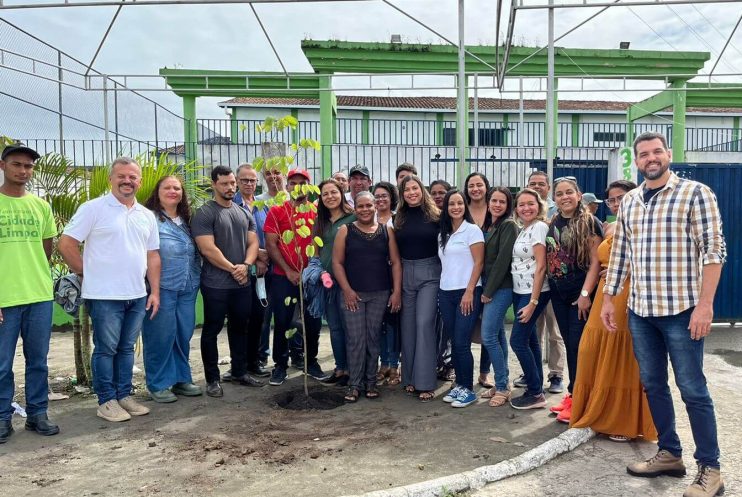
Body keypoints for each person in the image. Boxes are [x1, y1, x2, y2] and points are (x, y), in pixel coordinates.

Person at [602, 132, 726, 497]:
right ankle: (670, 453)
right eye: (644, 154)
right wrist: (609, 298)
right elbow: (621, 253)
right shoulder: (630, 202)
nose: (651, 158)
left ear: (668, 155)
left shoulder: (695, 193)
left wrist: (705, 306)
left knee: (693, 390)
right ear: (637, 161)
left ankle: (711, 469)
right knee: (654, 385)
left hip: (682, 311)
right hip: (641, 311)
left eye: (657, 151)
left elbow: (713, 251)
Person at [60, 156, 160, 422]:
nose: (127, 181)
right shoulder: (93, 209)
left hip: (137, 294)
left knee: (127, 348)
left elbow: (152, 256)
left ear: (139, 181)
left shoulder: (146, 215)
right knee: (106, 348)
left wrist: (155, 291)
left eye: (132, 177)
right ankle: (106, 400)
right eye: (121, 176)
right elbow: (67, 243)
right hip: (104, 296)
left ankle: (123, 394)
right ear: (111, 179)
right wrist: (86, 273)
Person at [570, 179, 656, 442]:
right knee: (590, 350)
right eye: (612, 200)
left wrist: (626, 270)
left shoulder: (647, 224)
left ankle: (622, 420)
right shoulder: (608, 227)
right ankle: (594, 410)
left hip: (629, 294)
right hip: (604, 297)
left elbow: (655, 261)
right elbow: (596, 264)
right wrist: (585, 294)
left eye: (622, 197)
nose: (617, 203)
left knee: (622, 353)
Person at [0, 144, 60, 441]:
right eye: (17, 165)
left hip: (38, 296)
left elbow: (45, 249)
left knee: (38, 360)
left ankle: (37, 413)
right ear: (3, 166)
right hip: (4, 299)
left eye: (28, 166)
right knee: (2, 363)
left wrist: (34, 277)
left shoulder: (40, 206)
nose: (23, 171)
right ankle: (2, 417)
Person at [191, 166, 261, 398]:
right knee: (211, 330)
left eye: (232, 183)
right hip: (215, 285)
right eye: (225, 183)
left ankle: (239, 372)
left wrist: (246, 265)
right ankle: (212, 379)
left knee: (241, 329)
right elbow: (207, 249)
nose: (230, 187)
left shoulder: (244, 213)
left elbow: (253, 243)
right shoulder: (204, 213)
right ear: (214, 184)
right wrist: (233, 268)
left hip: (241, 284)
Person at [332, 191, 402, 402]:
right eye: (360, 206)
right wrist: (347, 290)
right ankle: (354, 384)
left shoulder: (385, 231)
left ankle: (370, 382)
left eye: (368, 206)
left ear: (375, 207)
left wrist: (396, 292)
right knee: (355, 339)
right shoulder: (345, 230)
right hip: (352, 295)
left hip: (379, 294)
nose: (364, 210)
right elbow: (337, 263)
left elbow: (396, 262)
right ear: (355, 209)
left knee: (372, 338)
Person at [545, 176, 603, 423]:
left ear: (579, 195)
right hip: (559, 294)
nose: (564, 197)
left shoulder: (589, 223)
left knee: (581, 347)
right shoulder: (554, 221)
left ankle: (583, 400)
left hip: (580, 295)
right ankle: (573, 393)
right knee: (570, 344)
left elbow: (595, 262)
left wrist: (585, 295)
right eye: (559, 193)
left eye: (569, 192)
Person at [141, 176, 203, 403]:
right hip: (161, 287)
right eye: (167, 187)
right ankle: (158, 383)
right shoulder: (150, 218)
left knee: (183, 333)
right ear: (157, 192)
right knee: (160, 335)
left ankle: (181, 379)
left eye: (177, 187)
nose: (172, 191)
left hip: (187, 286)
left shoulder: (187, 219)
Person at [264, 169, 329, 386]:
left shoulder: (316, 212)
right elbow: (272, 245)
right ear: (287, 186)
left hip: (310, 277)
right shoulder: (277, 211)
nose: (297, 187)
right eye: (293, 183)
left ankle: (311, 362)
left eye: (303, 183)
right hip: (283, 277)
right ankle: (280, 366)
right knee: (282, 322)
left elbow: (321, 244)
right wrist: (289, 271)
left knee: (312, 321)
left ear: (309, 187)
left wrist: (310, 271)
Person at [394, 175, 441, 402]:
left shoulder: (436, 216)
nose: (411, 192)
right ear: (401, 194)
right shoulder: (399, 218)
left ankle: (426, 382)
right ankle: (410, 378)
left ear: (422, 190)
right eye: (406, 189)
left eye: (415, 188)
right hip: (406, 273)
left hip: (430, 273)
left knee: (424, 324)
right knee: (408, 327)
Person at [437, 190, 484, 408]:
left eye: (459, 203)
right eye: (451, 204)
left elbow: (479, 263)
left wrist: (469, 291)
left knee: (462, 342)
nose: (455, 207)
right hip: (446, 292)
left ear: (465, 206)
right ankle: (459, 385)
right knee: (453, 342)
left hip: (467, 292)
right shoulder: (443, 233)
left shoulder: (472, 231)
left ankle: (468, 389)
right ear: (446, 208)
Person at [508, 189, 552, 410]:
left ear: (539, 205)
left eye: (530, 204)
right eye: (521, 204)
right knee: (530, 339)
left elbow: (541, 265)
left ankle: (535, 393)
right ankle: (536, 384)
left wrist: (533, 301)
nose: (526, 208)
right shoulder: (524, 229)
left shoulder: (539, 228)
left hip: (532, 293)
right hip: (519, 290)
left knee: (516, 341)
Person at [525, 170, 565, 394]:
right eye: (533, 183)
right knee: (533, 331)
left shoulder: (556, 210)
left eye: (541, 184)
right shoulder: (524, 209)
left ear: (548, 188)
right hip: (531, 284)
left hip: (553, 282)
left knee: (554, 331)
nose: (538, 187)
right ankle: (533, 372)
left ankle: (556, 374)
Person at [479, 187, 518, 408]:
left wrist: (488, 291)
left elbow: (503, 261)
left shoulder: (508, 225)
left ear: (508, 205)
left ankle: (503, 387)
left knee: (489, 337)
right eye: (494, 200)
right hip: (492, 287)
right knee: (498, 335)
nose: (497, 205)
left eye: (502, 202)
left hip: (500, 288)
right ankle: (502, 382)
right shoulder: (492, 225)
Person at [313, 178, 355, 385]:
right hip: (327, 283)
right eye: (325, 194)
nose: (330, 197)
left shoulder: (353, 218)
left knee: (351, 327)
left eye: (333, 192)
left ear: (342, 193)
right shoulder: (319, 222)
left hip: (349, 282)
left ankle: (355, 370)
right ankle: (340, 369)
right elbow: (316, 252)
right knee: (335, 328)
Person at [233, 164, 271, 378]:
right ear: (237, 181)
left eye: (252, 180)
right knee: (241, 320)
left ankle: (254, 362)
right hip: (241, 271)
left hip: (263, 272)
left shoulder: (262, 206)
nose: (248, 184)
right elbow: (235, 240)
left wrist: (265, 259)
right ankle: (240, 366)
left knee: (259, 317)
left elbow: (267, 234)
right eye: (244, 180)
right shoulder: (232, 205)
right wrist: (257, 255)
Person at [463, 172, 493, 389]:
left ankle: (484, 372)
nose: (475, 189)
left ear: (486, 187)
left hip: (491, 275)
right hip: (466, 275)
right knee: (463, 326)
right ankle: (461, 370)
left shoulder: (494, 210)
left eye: (479, 185)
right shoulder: (461, 210)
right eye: (471, 185)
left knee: (488, 327)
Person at [373, 181, 401, 385]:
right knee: (379, 324)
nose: (380, 199)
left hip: (395, 277)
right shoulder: (367, 218)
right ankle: (382, 363)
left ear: (392, 198)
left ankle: (393, 364)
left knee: (393, 324)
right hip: (375, 278)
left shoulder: (398, 220)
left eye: (384, 195)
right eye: (377, 195)